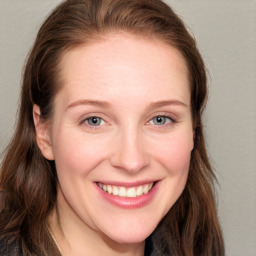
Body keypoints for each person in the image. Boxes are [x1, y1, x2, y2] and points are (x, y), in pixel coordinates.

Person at [0, 0, 225, 255]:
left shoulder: (196, 246)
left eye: (160, 119)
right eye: (94, 120)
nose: (132, 161)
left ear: (193, 131)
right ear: (44, 132)